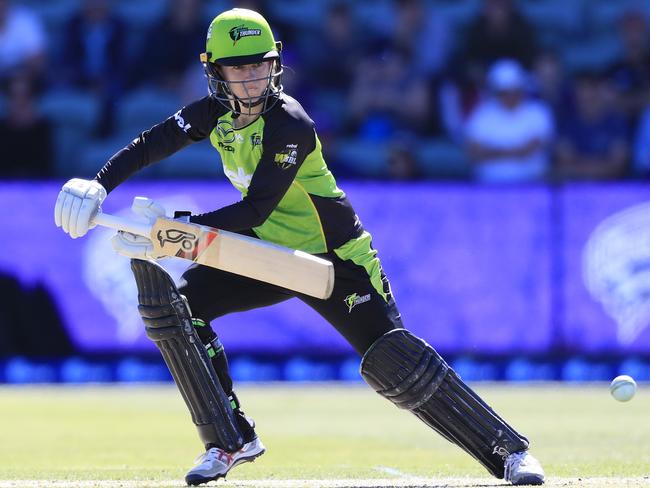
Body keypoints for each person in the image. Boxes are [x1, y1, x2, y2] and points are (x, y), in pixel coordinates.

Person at [53, 9, 545, 487]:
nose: (251, 80)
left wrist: (172, 231)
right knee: (178, 309)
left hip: (335, 259)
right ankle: (229, 440)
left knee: (393, 359)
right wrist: (99, 185)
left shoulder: (290, 124)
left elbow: (255, 211)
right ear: (214, 72)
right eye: (238, 69)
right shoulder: (212, 114)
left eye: (259, 67)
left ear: (275, 64)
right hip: (266, 254)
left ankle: (510, 453)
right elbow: (149, 144)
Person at [465, 59, 554, 183]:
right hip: (488, 187)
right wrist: (516, 152)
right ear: (495, 92)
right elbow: (474, 152)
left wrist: (493, 153)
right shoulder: (481, 115)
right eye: (504, 92)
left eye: (514, 91)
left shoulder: (538, 112)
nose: (510, 96)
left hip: (533, 185)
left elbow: (531, 149)